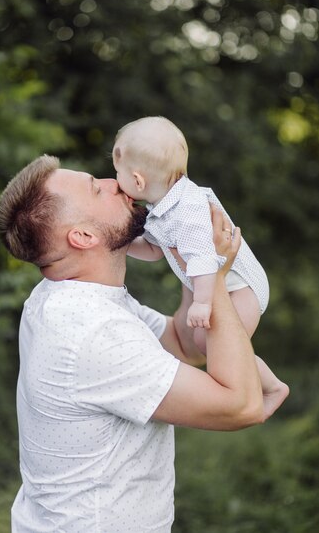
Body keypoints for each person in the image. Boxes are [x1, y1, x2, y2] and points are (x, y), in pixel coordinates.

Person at [0, 154, 265, 533]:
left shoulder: (70, 298)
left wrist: (195, 261)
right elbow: (242, 405)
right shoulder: (92, 332)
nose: (114, 183)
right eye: (96, 187)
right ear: (84, 237)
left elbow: (180, 343)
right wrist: (216, 276)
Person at [112, 115, 289, 421]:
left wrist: (203, 302)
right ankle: (268, 385)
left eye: (118, 174)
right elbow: (156, 250)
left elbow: (205, 259)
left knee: (218, 350)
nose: (115, 181)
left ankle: (272, 387)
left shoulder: (188, 210)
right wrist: (122, 243)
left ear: (138, 181)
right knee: (203, 344)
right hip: (227, 285)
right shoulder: (163, 207)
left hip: (242, 287)